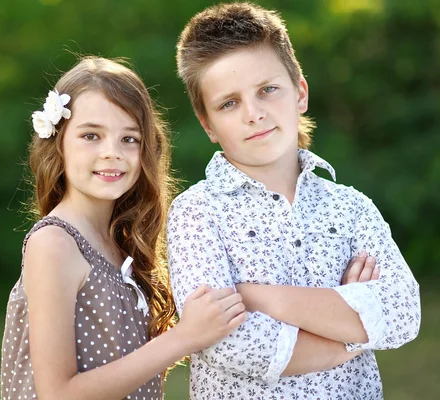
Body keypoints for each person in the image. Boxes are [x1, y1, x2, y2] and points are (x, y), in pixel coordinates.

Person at [167, 2, 421, 399]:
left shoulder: (351, 208)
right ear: (207, 124)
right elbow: (227, 342)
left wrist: (257, 296)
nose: (254, 113)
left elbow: (403, 313)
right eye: (229, 103)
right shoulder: (197, 212)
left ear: (299, 93)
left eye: (267, 90)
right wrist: (350, 330)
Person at [0, 56, 248, 400]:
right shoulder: (55, 243)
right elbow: (58, 394)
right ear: (58, 143)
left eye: (129, 139)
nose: (111, 153)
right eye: (91, 136)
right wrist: (184, 337)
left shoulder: (121, 244)